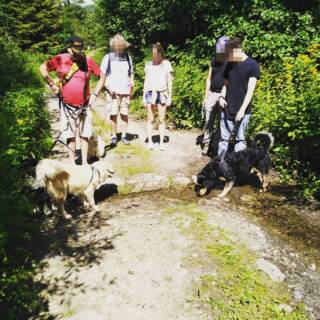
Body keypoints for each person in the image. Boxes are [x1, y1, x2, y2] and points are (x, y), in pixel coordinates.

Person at [39, 36, 101, 164]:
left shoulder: (88, 61)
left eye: (80, 52)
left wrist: (95, 94)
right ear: (68, 48)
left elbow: (102, 76)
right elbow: (42, 68)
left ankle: (84, 162)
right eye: (75, 52)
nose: (78, 55)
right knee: (70, 135)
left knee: (85, 134)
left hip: (85, 104)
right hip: (67, 105)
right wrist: (52, 85)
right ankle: (72, 163)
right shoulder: (60, 59)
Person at [218, 37, 260, 155]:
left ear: (238, 50)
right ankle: (220, 165)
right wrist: (221, 97)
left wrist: (242, 110)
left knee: (240, 140)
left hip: (243, 110)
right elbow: (225, 85)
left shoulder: (253, 65)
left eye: (230, 54)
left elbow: (250, 91)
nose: (228, 57)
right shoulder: (229, 64)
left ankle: (237, 168)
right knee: (223, 139)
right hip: (226, 108)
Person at [94, 34, 134, 146]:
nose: (120, 48)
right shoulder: (108, 57)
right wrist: (108, 87)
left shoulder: (127, 57)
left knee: (124, 113)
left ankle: (125, 136)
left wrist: (132, 84)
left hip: (125, 91)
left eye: (122, 46)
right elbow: (102, 76)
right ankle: (114, 136)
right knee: (113, 114)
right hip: (113, 92)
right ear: (114, 46)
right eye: (118, 46)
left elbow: (131, 73)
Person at [142, 43, 173, 150]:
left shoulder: (166, 64)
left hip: (163, 93)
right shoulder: (148, 64)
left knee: (162, 119)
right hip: (150, 93)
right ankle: (150, 141)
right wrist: (143, 97)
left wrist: (170, 96)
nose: (155, 56)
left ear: (161, 53)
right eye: (153, 54)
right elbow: (146, 81)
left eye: (156, 54)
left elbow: (169, 81)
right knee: (150, 118)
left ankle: (161, 142)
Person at [201, 36, 229, 156]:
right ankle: (206, 142)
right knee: (208, 120)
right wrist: (205, 96)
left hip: (224, 95)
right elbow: (209, 78)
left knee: (221, 122)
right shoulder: (214, 60)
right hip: (212, 93)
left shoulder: (231, 61)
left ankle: (215, 144)